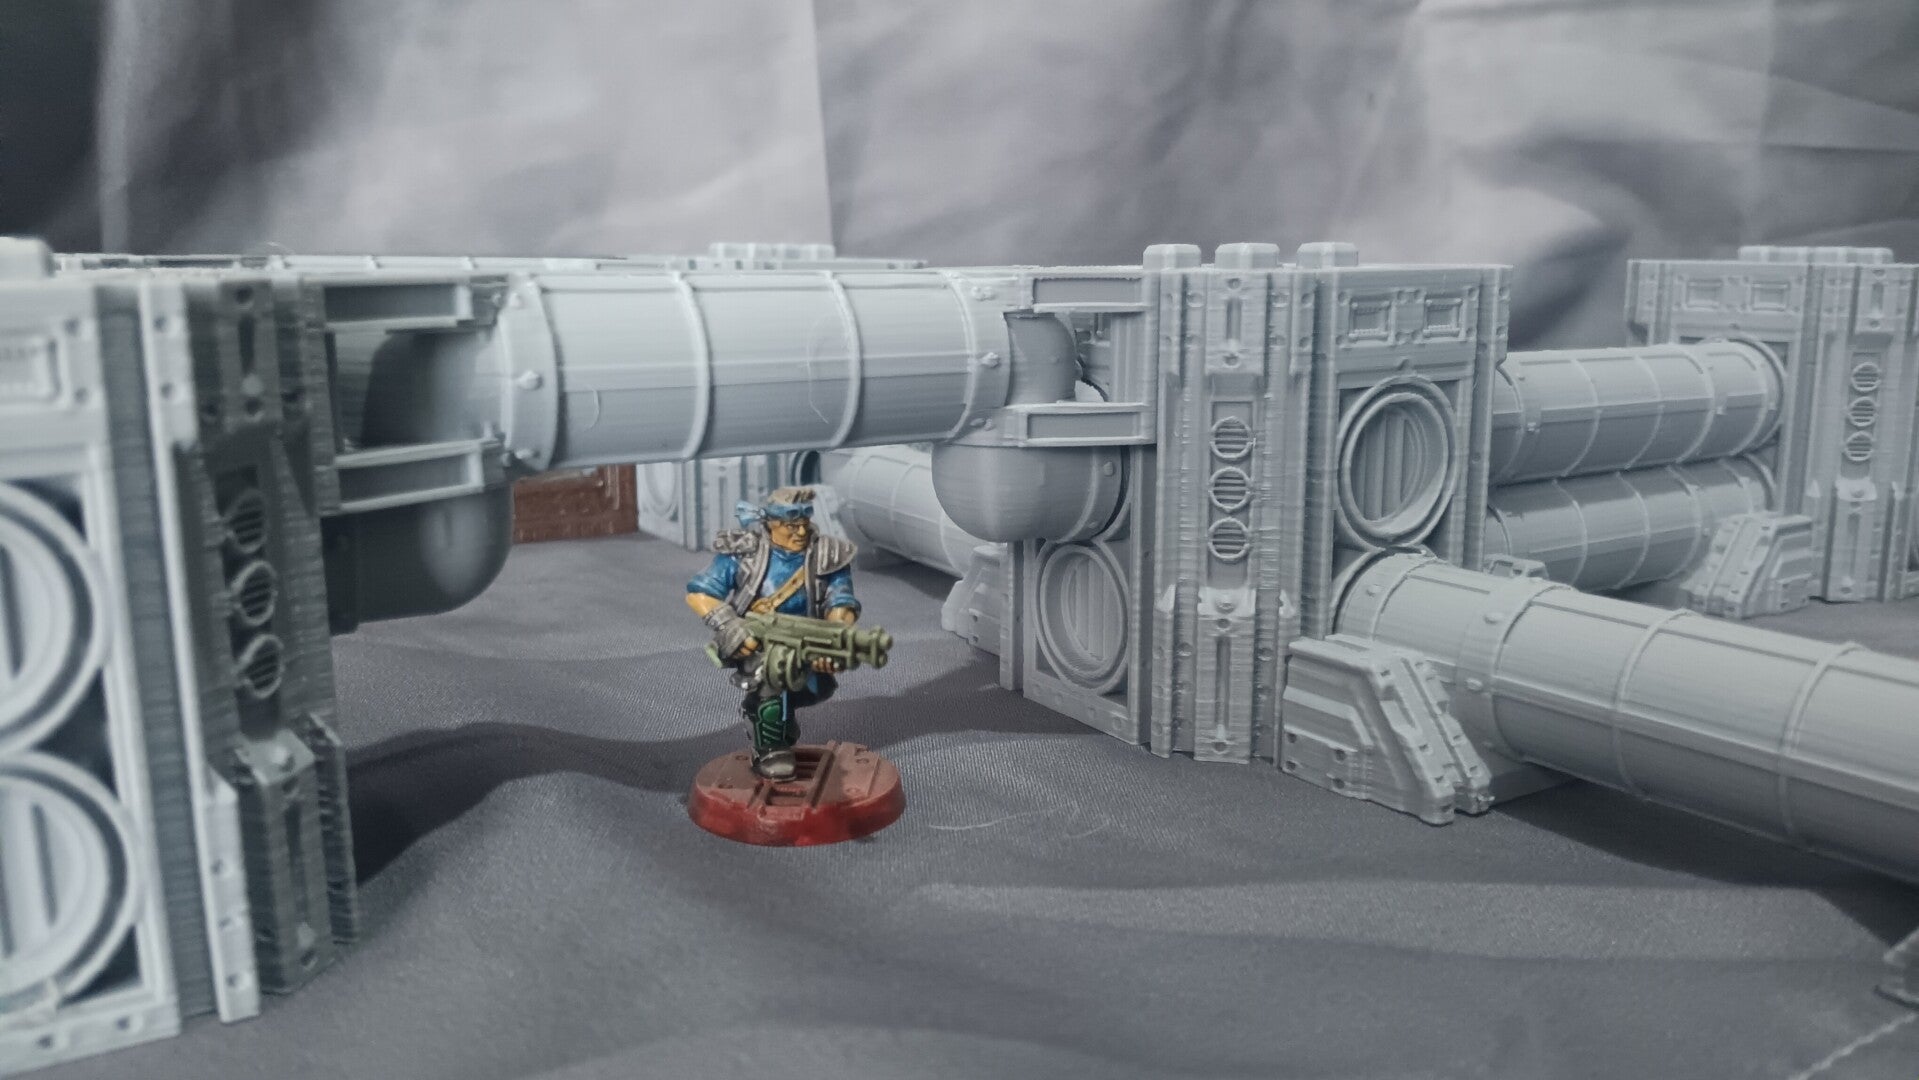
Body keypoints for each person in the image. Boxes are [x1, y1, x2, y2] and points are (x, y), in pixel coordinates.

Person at [684, 486, 860, 780]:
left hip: (806, 639)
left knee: (808, 689)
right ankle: (769, 748)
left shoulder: (827, 554)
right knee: (770, 685)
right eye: (791, 526)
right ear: (770, 523)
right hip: (758, 642)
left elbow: (841, 599)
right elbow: (700, 593)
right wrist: (730, 626)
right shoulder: (745, 553)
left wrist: (834, 638)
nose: (800, 532)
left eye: (804, 523)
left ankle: (779, 725)